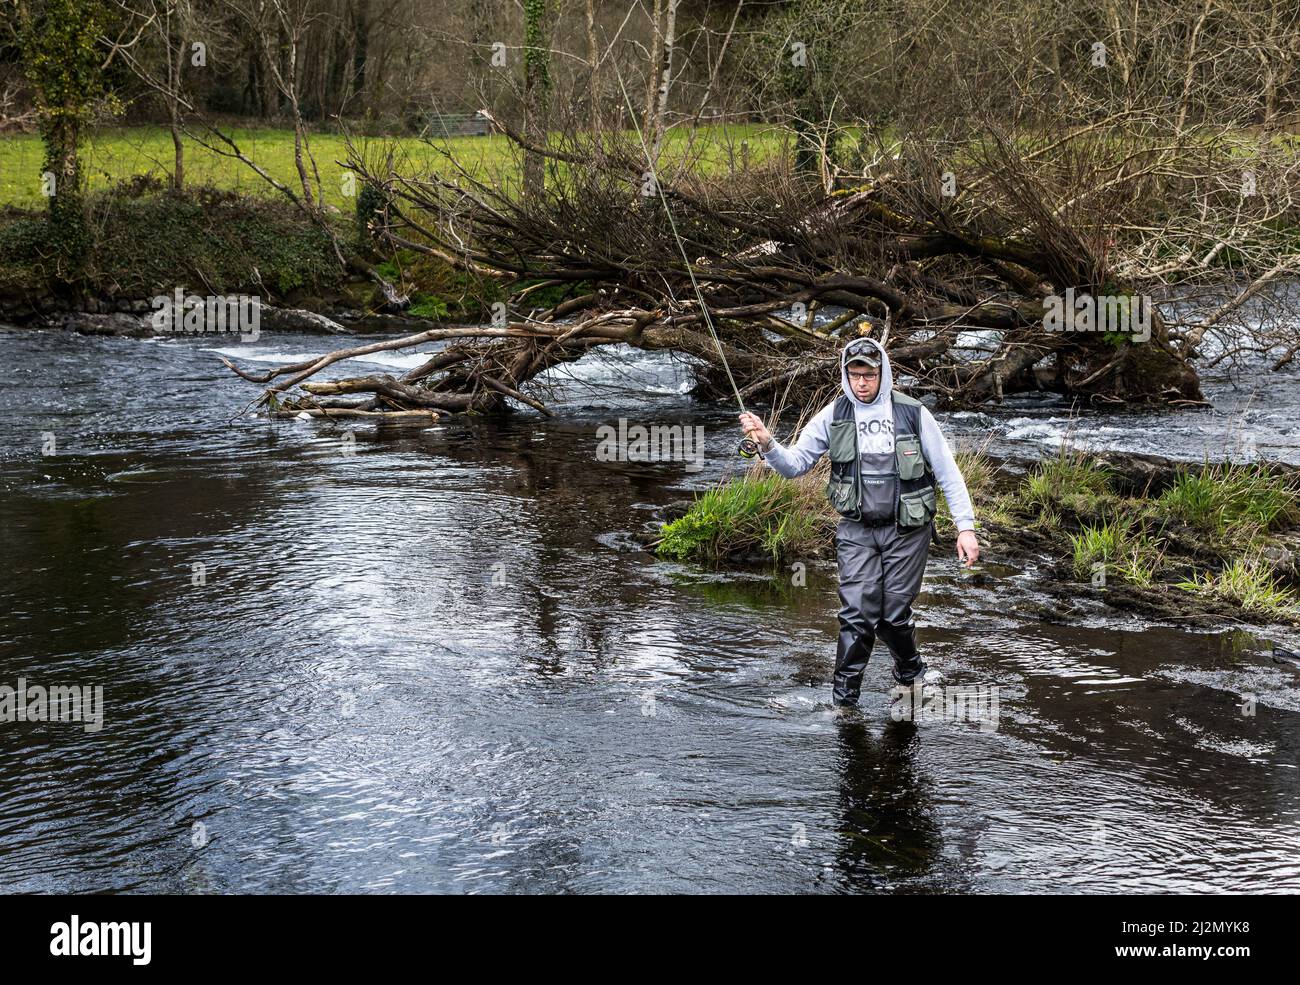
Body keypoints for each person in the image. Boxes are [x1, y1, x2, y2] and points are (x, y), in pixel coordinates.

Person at [738, 337, 980, 708]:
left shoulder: (914, 413)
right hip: (856, 530)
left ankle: (910, 669)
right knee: (856, 613)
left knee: (891, 616)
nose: (861, 383)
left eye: (868, 374)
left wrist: (965, 528)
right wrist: (767, 442)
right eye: (854, 375)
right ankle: (844, 703)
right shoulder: (832, 415)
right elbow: (794, 466)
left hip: (907, 531)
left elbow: (948, 473)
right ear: (845, 375)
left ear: (882, 373)